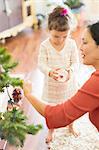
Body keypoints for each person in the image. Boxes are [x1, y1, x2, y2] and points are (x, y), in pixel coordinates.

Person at [38, 6, 79, 142]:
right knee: (53, 111)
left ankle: (71, 126)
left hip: (68, 84)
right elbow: (41, 64)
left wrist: (69, 72)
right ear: (49, 30)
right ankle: (51, 130)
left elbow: (75, 63)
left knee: (71, 107)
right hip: (52, 86)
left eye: (64, 36)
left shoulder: (71, 44)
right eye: (56, 36)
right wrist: (49, 72)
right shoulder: (45, 46)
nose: (60, 40)